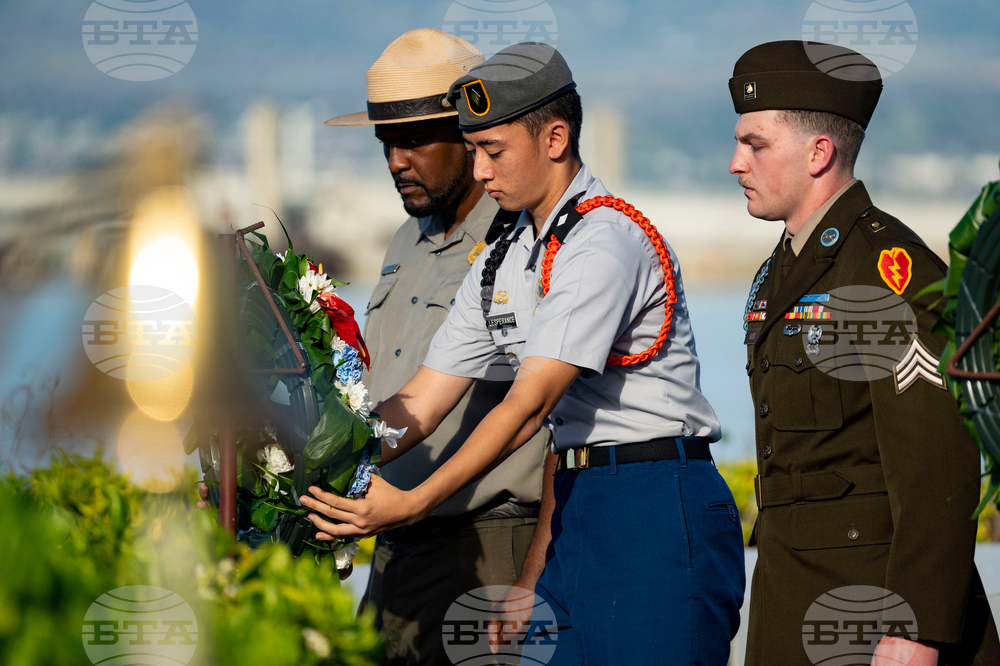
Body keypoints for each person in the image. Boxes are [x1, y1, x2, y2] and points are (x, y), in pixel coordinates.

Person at [301, 42, 745, 665]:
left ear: (555, 138)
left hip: (655, 501)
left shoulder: (603, 241)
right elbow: (421, 400)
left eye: (493, 151)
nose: (480, 171)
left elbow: (531, 403)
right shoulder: (505, 259)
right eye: (474, 149)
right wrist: (317, 455)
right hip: (575, 502)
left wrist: (413, 500)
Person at [728, 41, 999, 665]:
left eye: (756, 144)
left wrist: (916, 629)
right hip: (791, 603)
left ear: (819, 152)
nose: (736, 162)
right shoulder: (782, 272)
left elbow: (939, 465)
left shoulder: (886, 273)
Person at [323, 29, 550, 665]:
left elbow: (549, 411)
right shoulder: (405, 239)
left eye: (415, 140)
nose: (397, 159)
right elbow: (386, 391)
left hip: (487, 544)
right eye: (386, 142)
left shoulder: (522, 241)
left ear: (472, 136)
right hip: (394, 544)